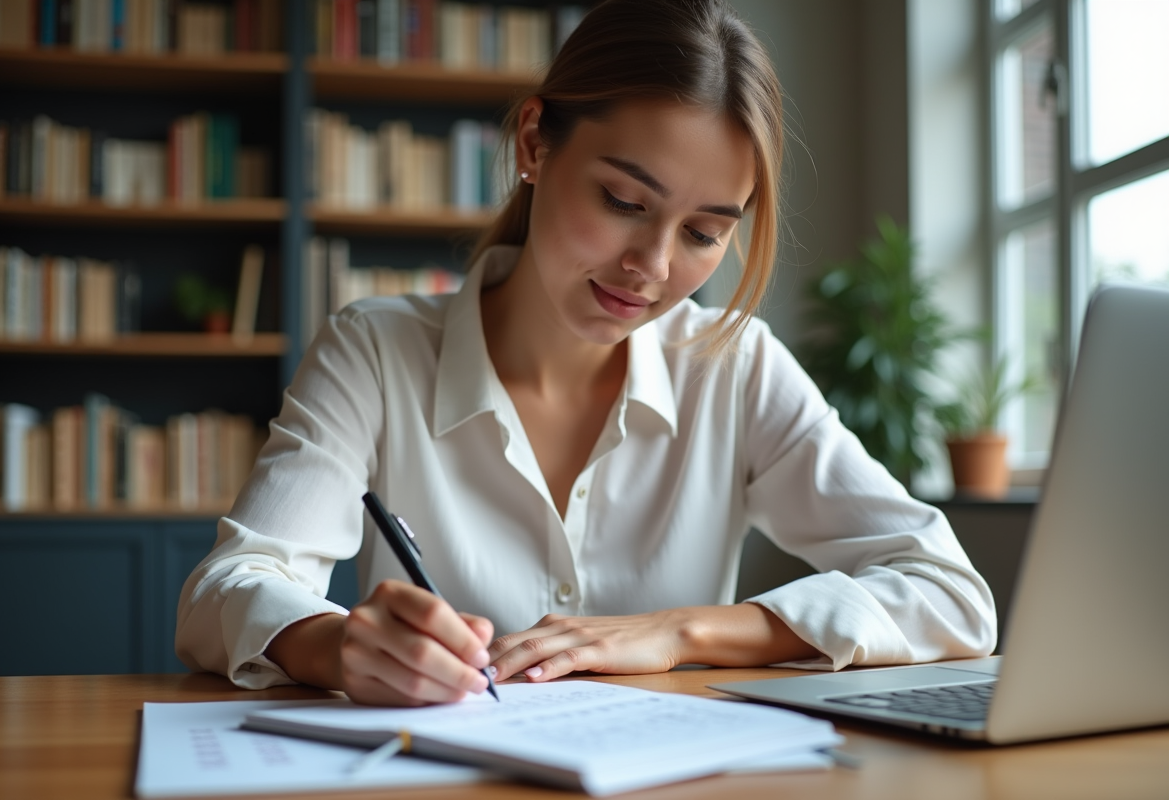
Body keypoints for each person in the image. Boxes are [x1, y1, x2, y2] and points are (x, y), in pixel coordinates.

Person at [176, 0, 996, 707]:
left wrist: (683, 631)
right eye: (623, 201)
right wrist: (337, 646)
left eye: (706, 232)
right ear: (535, 142)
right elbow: (226, 589)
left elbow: (952, 596)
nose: (655, 265)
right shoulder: (376, 349)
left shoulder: (733, 365)